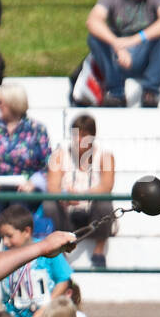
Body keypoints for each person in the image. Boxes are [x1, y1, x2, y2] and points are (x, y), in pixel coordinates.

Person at [0, 82, 51, 252]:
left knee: (19, 201)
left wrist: (33, 183)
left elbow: (46, 164)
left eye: (1, 102)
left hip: (26, 186)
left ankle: (18, 250)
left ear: (13, 103)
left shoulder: (37, 129)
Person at [47, 114, 115, 268]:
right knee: (50, 204)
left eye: (83, 135)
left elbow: (107, 186)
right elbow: (52, 187)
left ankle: (99, 250)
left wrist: (81, 194)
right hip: (67, 211)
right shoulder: (59, 155)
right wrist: (65, 196)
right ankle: (60, 252)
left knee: (105, 203)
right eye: (76, 135)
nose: (78, 140)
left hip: (93, 212)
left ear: (92, 136)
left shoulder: (105, 156)